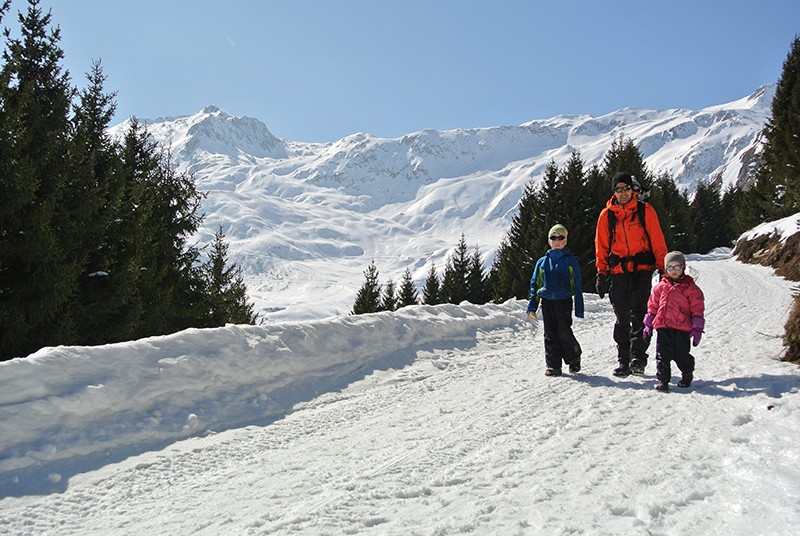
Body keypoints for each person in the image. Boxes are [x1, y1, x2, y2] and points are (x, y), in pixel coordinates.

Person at [595, 171, 668, 377]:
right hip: (618, 272)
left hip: (642, 271)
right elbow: (601, 246)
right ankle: (623, 359)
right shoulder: (606, 215)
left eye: (626, 189)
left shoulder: (646, 211)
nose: (623, 193)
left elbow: (657, 240)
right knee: (621, 317)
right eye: (618, 190)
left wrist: (663, 269)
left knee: (640, 314)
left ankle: (638, 358)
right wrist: (601, 273)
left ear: (632, 190)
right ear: (614, 192)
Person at [526, 224, 584, 376]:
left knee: (564, 331)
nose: (557, 240)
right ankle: (553, 365)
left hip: (563, 301)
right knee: (550, 333)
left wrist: (579, 307)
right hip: (547, 302)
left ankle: (574, 357)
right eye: (553, 237)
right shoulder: (542, 262)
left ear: (565, 241)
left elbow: (577, 284)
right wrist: (532, 306)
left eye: (560, 237)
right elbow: (535, 284)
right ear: (549, 241)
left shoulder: (571, 261)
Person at [643, 251, 705, 392]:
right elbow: (652, 307)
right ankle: (663, 380)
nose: (674, 271)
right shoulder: (660, 287)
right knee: (662, 355)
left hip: (682, 328)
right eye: (670, 268)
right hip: (663, 327)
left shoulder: (691, 289)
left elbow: (697, 310)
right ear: (666, 269)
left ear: (683, 267)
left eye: (677, 267)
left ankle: (687, 372)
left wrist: (697, 329)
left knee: (681, 354)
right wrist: (648, 324)